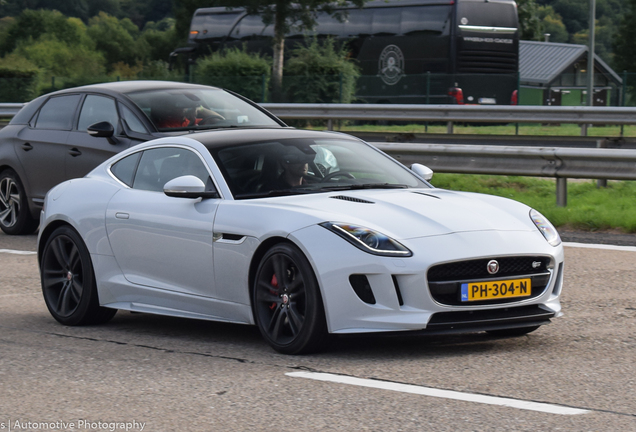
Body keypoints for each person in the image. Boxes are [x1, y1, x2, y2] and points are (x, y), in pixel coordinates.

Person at [153, 103, 223, 129]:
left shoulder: (194, 120)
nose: (183, 108)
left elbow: (221, 120)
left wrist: (201, 109)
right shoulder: (166, 123)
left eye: (185, 105)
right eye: (179, 106)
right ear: (173, 109)